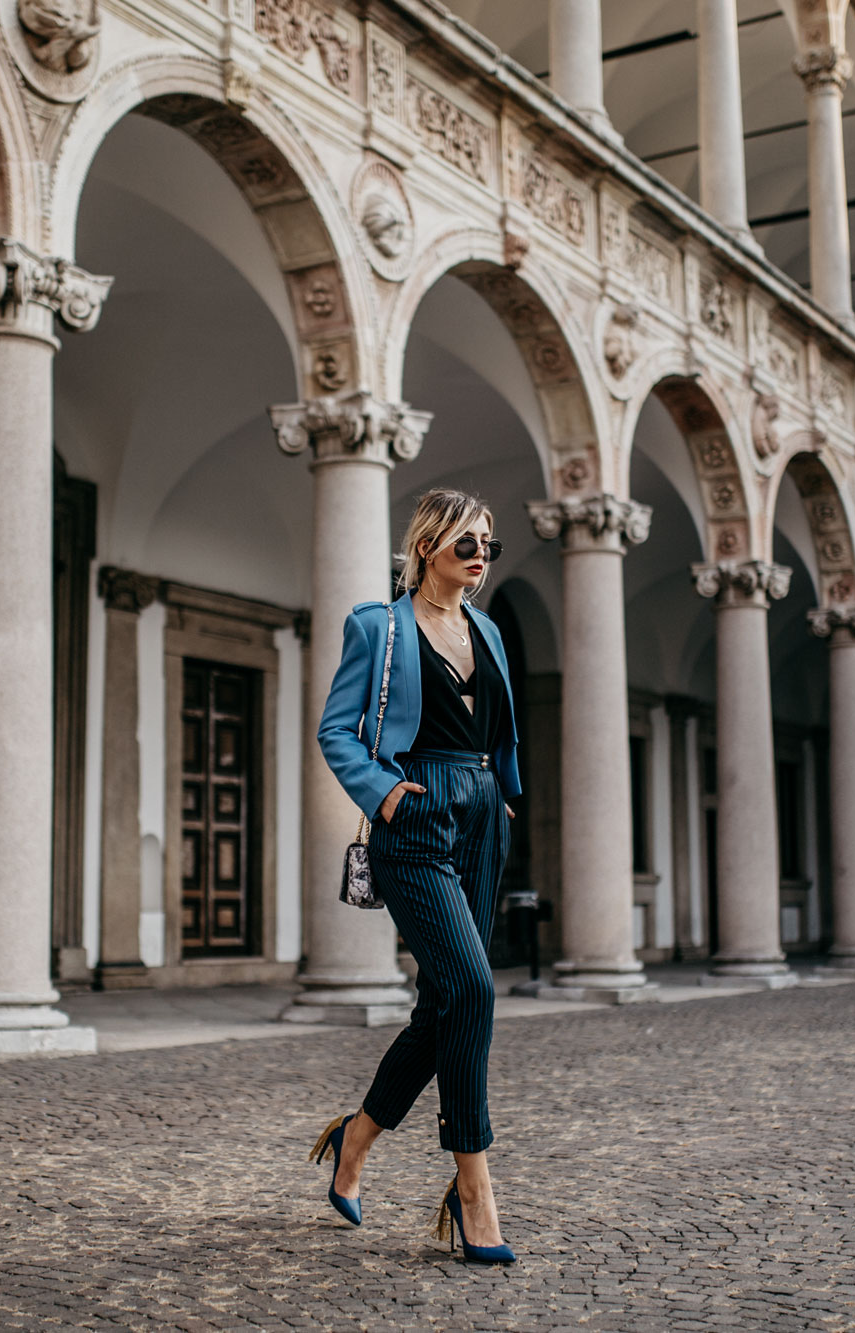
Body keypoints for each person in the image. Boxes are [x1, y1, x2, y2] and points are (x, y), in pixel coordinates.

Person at [306, 487, 522, 1265]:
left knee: (443, 1006)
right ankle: (474, 1188)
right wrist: (387, 792)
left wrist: (503, 800)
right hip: (416, 817)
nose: (479, 555)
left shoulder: (490, 632)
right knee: (472, 986)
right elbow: (337, 729)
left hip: (480, 817)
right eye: (466, 540)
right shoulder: (379, 626)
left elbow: (497, 731)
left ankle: (354, 1141)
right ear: (427, 543)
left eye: (488, 544)